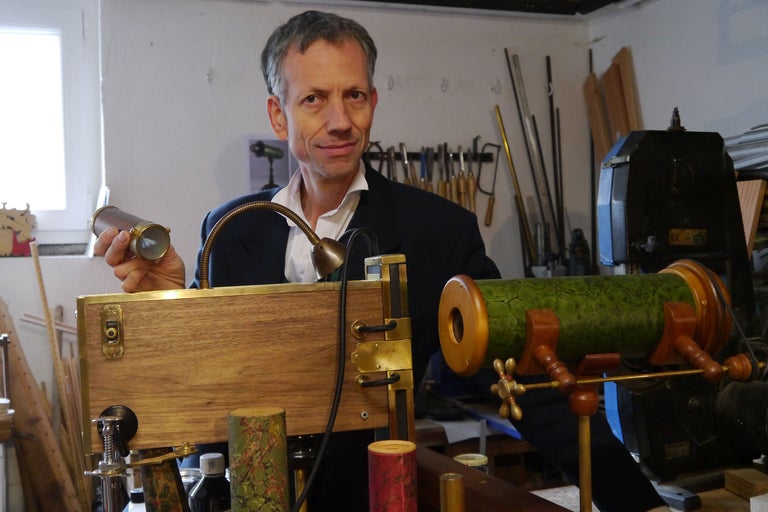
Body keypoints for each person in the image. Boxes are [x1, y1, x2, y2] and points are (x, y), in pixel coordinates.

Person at [95, 9, 669, 512]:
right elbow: (204, 371)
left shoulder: (439, 231)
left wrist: (637, 503)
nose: (340, 121)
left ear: (373, 101)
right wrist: (165, 301)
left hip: (370, 495)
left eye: (355, 95)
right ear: (278, 115)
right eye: (314, 99)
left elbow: (515, 378)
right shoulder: (232, 229)